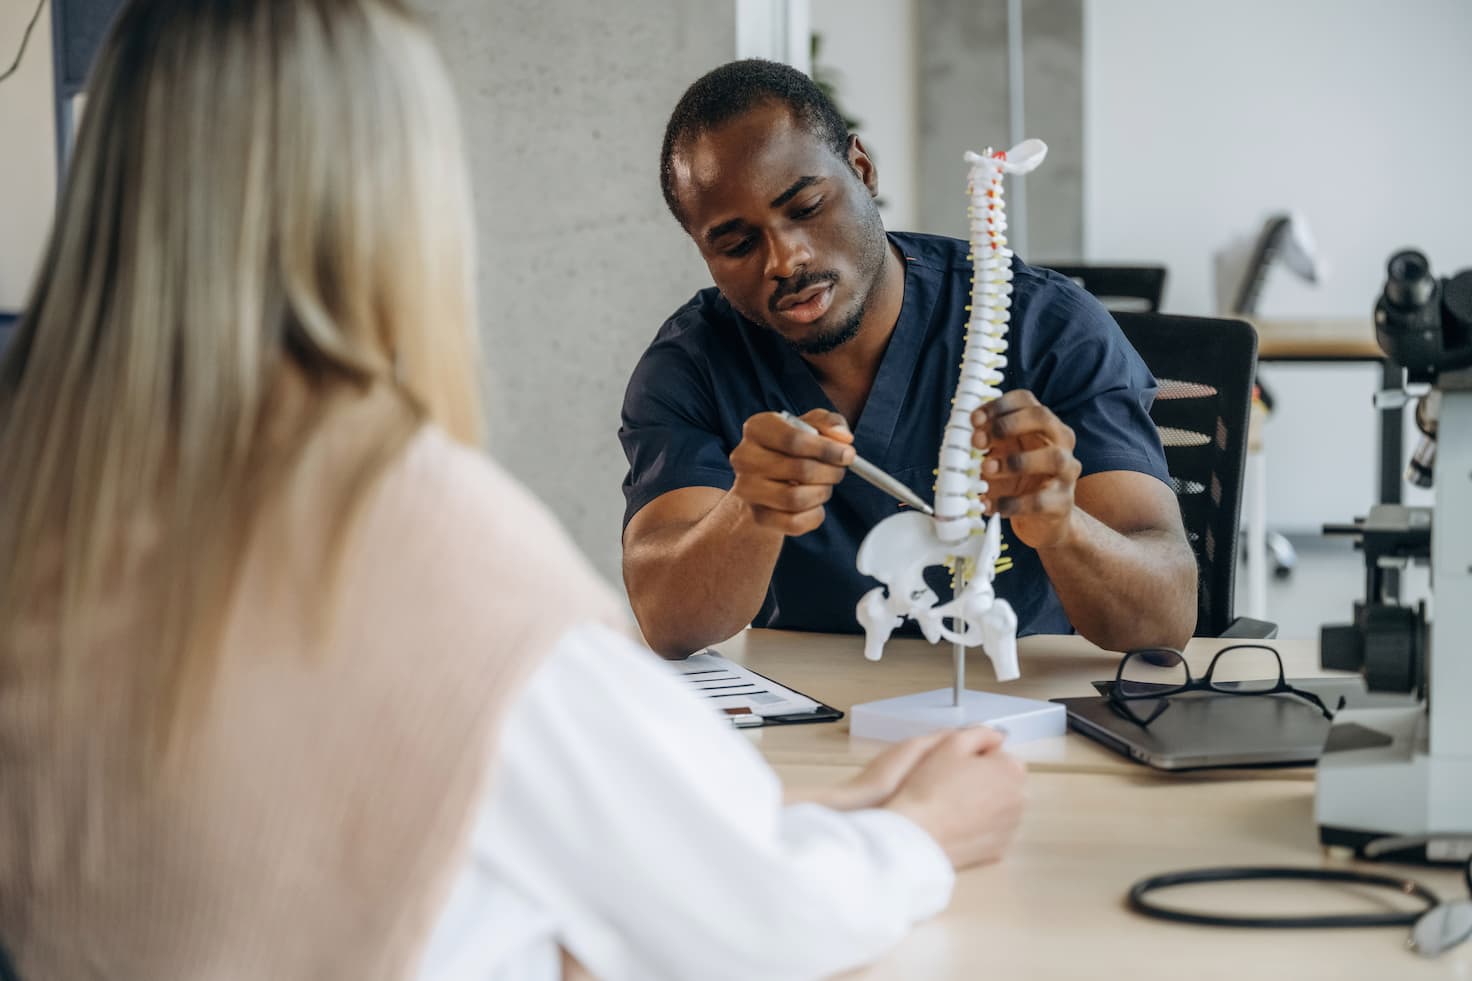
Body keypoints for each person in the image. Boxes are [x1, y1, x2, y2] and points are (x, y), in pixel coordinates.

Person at [0, 4, 1026, 979]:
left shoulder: (43, 491)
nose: (786, 256)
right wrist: (919, 834)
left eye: (803, 207)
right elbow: (758, 924)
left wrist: (825, 825)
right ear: (397, 202)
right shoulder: (408, 536)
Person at [620, 59, 1198, 659]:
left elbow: (1165, 619)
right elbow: (669, 624)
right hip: (812, 726)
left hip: (1024, 715)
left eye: (807, 208)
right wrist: (749, 510)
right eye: (738, 244)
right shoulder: (693, 363)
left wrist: (1064, 528)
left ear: (862, 169)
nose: (785, 260)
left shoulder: (1049, 329)